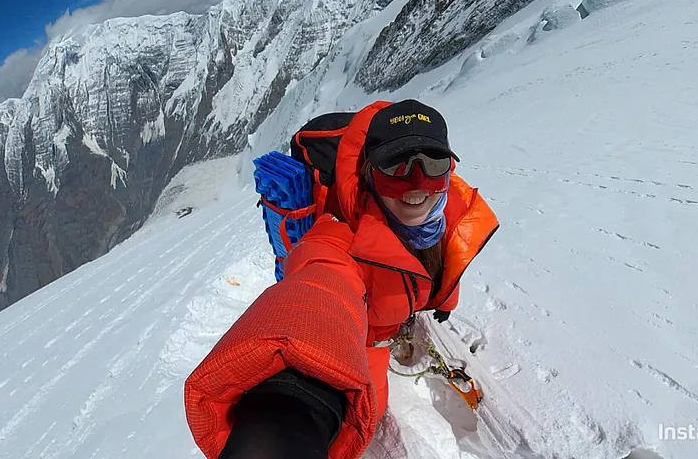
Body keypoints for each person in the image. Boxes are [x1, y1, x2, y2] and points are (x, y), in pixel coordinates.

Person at [184, 99, 499, 459]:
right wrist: (286, 410)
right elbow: (320, 286)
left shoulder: (450, 215)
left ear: (449, 172)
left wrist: (444, 299)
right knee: (364, 413)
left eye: (432, 163)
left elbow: (447, 257)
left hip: (389, 316)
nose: (416, 183)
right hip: (359, 338)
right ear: (368, 174)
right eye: (396, 165)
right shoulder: (340, 240)